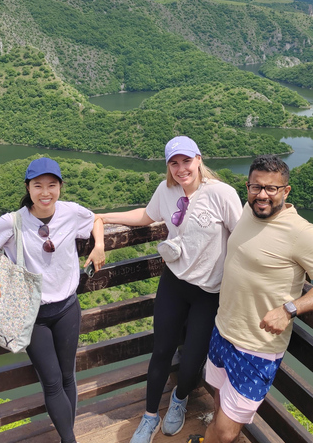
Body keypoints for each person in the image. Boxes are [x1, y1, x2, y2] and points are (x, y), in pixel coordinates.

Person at [97, 136, 242, 443]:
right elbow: (146, 216)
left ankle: (179, 397)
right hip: (174, 283)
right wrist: (102, 216)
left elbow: (242, 237)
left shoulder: (221, 194)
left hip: (209, 292)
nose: (180, 169)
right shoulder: (166, 190)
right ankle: (149, 417)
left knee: (191, 361)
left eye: (186, 161)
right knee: (161, 351)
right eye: (174, 163)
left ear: (199, 159)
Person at [200, 155, 313, 443]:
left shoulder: (303, 233)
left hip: (257, 348)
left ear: (286, 191)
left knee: (225, 431)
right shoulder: (247, 211)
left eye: (271, 188)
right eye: (256, 187)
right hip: (223, 331)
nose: (262, 195)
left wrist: (290, 309)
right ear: (248, 187)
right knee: (218, 404)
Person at [0, 157, 105, 443]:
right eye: (38, 186)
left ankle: (67, 437)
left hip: (68, 307)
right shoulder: (14, 221)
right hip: (33, 315)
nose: (46, 192)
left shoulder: (70, 213)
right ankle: (69, 440)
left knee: (68, 376)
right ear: (28, 188)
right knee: (53, 381)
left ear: (60, 186)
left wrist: (100, 245)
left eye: (52, 185)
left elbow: (95, 219)